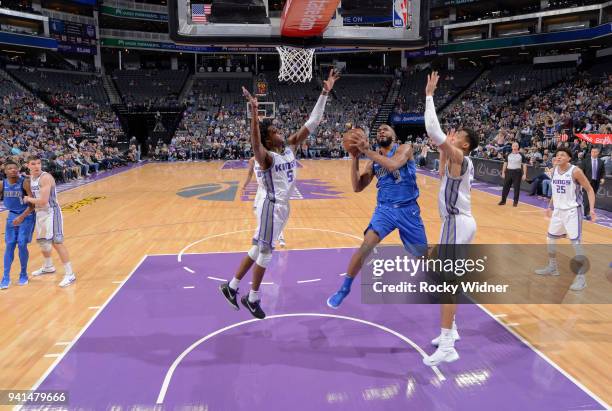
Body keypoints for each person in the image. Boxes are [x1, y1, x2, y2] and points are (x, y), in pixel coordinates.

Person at [219, 69, 340, 319]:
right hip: (270, 206)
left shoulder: (289, 147)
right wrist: (254, 112)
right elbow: (255, 143)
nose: (279, 131)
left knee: (257, 248)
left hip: (282, 206)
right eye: (274, 130)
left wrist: (324, 94)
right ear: (268, 138)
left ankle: (230, 287)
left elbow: (312, 123)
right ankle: (252, 297)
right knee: (266, 252)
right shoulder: (266, 158)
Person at [326, 124, 428, 308]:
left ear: (394, 136)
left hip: (408, 210)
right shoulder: (372, 162)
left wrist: (367, 151)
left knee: (422, 256)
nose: (381, 131)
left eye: (385, 129)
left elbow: (393, 164)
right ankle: (344, 289)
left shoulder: (405, 148)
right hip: (385, 210)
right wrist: (355, 158)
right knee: (365, 246)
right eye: (378, 131)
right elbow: (357, 187)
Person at [423, 71, 479, 366]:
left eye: (457, 135)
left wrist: (430, 96)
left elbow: (434, 131)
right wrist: (442, 147)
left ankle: (447, 344)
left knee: (446, 281)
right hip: (455, 222)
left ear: (465, 145)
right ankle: (452, 330)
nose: (451, 135)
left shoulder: (461, 158)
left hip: (458, 222)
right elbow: (440, 147)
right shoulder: (452, 160)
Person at [534, 147, 596, 291]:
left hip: (573, 211)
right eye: (557, 155)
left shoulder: (575, 171)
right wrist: (550, 207)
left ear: (569, 158)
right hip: (558, 211)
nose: (559, 156)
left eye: (562, 155)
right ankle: (553, 267)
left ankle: (581, 279)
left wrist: (591, 209)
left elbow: (589, 189)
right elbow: (556, 191)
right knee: (550, 239)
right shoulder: (554, 169)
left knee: (576, 244)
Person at [23, 155, 77, 287]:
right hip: (40, 213)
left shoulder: (45, 178)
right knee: (43, 242)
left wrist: (28, 199)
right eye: (33, 164)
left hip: (51, 212)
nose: (36, 166)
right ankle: (48, 267)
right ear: (27, 166)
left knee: (56, 242)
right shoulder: (30, 179)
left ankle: (70, 274)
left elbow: (43, 201)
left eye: (38, 163)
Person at [0, 161, 36, 289]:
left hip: (26, 214)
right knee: (9, 245)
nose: (13, 170)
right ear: (5, 171)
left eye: (15, 168)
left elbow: (32, 204)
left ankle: (23, 274)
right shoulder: (2, 184)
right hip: (12, 215)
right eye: (10, 168)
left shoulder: (24, 182)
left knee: (21, 244)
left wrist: (21, 217)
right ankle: (5, 277)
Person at [244, 156, 285, 247]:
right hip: (260, 190)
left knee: (274, 214)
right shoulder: (252, 160)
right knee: (257, 211)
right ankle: (262, 234)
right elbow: (249, 174)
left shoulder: (270, 158)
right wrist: (244, 186)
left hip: (270, 189)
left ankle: (280, 237)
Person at [499, 142, 527, 207]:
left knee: (516, 188)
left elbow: (524, 165)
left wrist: (524, 174)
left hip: (517, 172)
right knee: (505, 187)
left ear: (518, 147)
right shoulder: (508, 154)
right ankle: (503, 201)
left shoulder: (521, 155)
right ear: (512, 147)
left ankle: (515, 202)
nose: (514, 147)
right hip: (508, 172)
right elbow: (505, 163)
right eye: (513, 146)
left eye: (516, 146)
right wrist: (503, 172)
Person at [580, 146, 605, 220]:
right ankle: (586, 213)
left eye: (595, 152)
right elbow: (581, 171)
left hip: (596, 182)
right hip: (586, 182)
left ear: (598, 153)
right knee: (586, 197)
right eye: (592, 152)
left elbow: (603, 171)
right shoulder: (585, 161)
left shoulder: (601, 161)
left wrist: (602, 178)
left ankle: (588, 211)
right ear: (591, 152)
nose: (594, 153)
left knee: (592, 197)